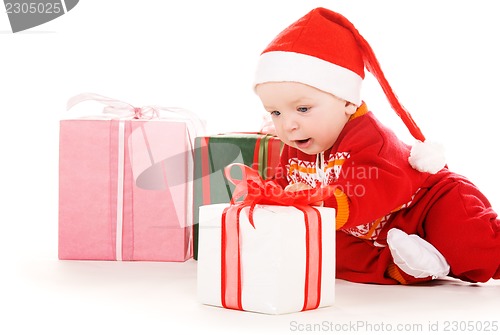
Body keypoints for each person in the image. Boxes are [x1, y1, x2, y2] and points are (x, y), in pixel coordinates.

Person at [253, 7, 500, 284]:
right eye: (276, 113)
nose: (288, 125)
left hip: (426, 204)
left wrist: (320, 201)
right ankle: (404, 267)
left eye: (302, 108)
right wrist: (273, 196)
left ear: (347, 101)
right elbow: (285, 180)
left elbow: (374, 186)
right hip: (375, 233)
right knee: (324, 250)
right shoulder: (298, 144)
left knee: (468, 247)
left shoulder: (370, 137)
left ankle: (461, 257)